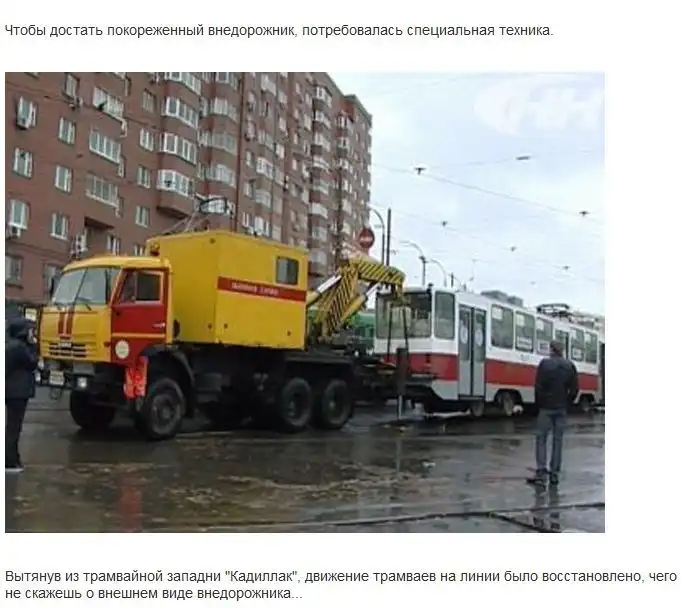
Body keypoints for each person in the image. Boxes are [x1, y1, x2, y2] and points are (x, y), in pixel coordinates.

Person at [527, 339, 578, 487]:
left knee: (541, 439)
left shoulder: (545, 364)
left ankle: (541, 472)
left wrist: (538, 405)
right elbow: (575, 389)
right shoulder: (569, 366)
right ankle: (554, 474)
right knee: (558, 441)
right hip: (561, 408)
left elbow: (538, 387)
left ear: (551, 350)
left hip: (546, 408)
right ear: (562, 351)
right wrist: (567, 402)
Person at [6, 317, 39, 473]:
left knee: (11, 426)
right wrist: (33, 345)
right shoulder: (20, 347)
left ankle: (12, 459)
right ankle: (9, 460)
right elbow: (32, 362)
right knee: (14, 427)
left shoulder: (9, 345)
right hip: (18, 392)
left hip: (10, 390)